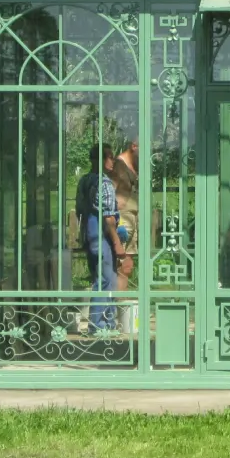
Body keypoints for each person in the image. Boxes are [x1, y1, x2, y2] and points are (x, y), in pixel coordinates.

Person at [76, 144, 126, 333]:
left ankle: (107, 322)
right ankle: (98, 325)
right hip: (102, 236)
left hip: (90, 236)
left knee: (103, 278)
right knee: (105, 280)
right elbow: (108, 218)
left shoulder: (85, 180)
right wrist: (117, 243)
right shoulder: (103, 183)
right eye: (110, 157)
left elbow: (80, 210)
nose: (113, 161)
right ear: (100, 159)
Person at [111, 139, 139, 335]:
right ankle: (118, 316)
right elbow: (111, 192)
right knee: (123, 265)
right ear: (133, 147)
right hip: (123, 219)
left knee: (127, 266)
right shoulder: (119, 166)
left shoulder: (132, 165)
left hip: (131, 215)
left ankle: (122, 316)